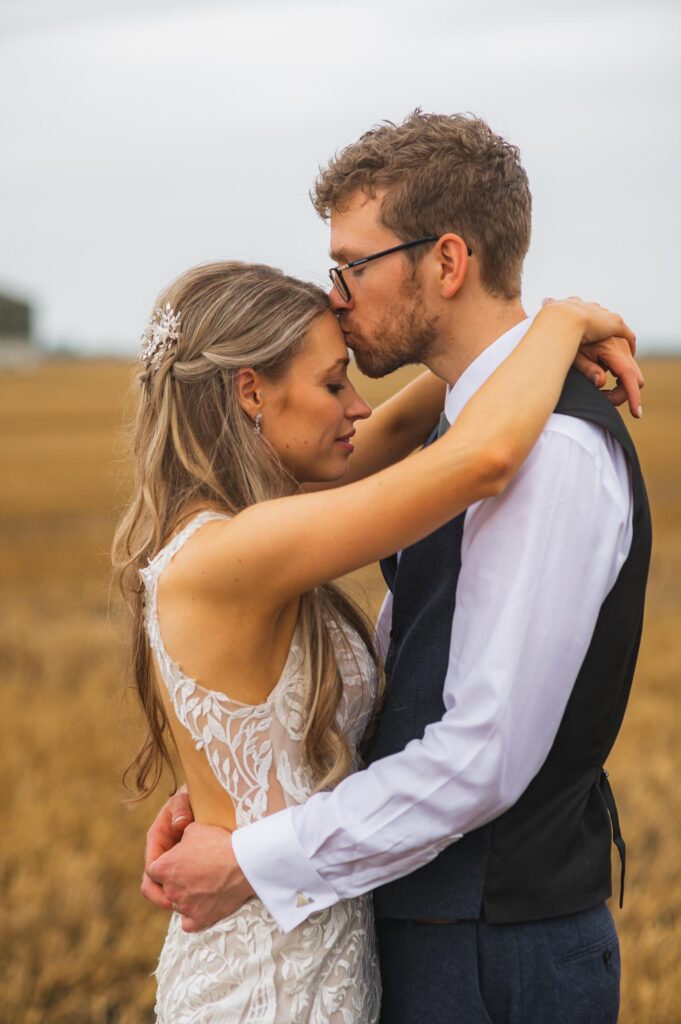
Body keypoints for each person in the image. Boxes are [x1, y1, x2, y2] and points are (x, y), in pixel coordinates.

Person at [140, 117, 650, 1024]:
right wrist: (557, 320)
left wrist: (251, 827)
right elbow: (473, 451)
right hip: (315, 959)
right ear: (250, 392)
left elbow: (481, 755)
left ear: (444, 263)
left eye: (352, 265)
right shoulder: (251, 535)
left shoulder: (552, 448)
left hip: (493, 948)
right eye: (330, 381)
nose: (336, 296)